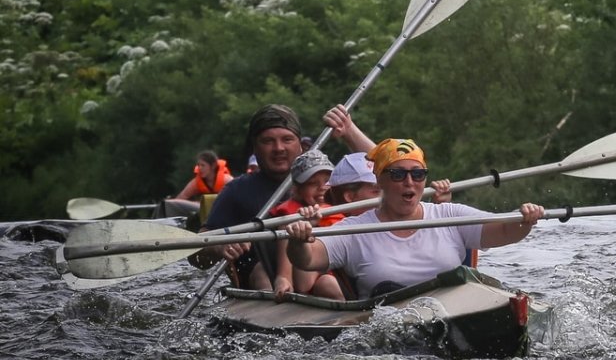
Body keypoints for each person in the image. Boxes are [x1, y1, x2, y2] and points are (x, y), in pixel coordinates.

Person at [284, 138, 543, 300]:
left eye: (418, 174)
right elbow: (308, 259)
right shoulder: (356, 229)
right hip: (386, 326)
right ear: (380, 180)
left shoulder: (448, 215)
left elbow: (505, 231)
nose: (409, 182)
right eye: (397, 174)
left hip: (449, 313)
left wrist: (525, 221)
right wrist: (299, 240)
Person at [192, 104, 307, 290]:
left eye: (287, 139)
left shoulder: (323, 185)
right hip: (262, 285)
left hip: (314, 275)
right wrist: (220, 247)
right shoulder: (236, 191)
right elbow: (198, 255)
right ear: (255, 148)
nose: (278, 148)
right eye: (268, 141)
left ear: (300, 145)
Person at [269, 150, 344, 301]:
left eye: (327, 181)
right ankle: (283, 279)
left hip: (345, 277)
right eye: (312, 183)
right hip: (310, 281)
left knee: (331, 283)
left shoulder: (345, 209)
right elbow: (304, 285)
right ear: (298, 188)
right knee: (328, 283)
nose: (322, 187)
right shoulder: (290, 217)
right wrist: (310, 226)